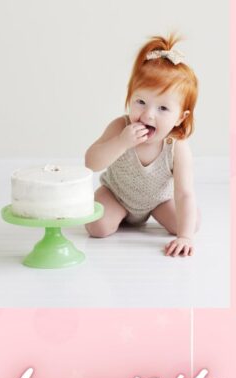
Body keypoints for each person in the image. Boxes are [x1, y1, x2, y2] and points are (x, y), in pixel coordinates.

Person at [85, 34, 199, 257]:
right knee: (98, 227)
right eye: (141, 102)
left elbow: (184, 193)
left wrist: (185, 237)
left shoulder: (176, 146)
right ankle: (114, 214)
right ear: (130, 97)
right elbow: (90, 162)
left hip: (157, 201)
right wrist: (121, 142)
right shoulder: (121, 127)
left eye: (163, 109)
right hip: (115, 195)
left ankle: (184, 227)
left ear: (180, 118)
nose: (147, 115)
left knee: (189, 224)